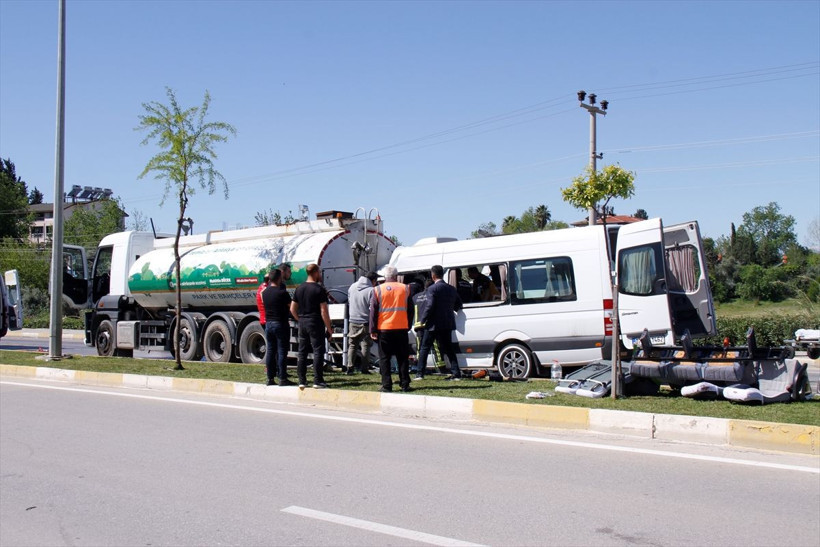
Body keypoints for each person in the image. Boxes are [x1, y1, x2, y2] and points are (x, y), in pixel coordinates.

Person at [369, 265, 414, 392]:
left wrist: (372, 329)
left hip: (384, 329)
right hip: (401, 328)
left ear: (385, 277)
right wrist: (408, 324)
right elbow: (410, 309)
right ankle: (405, 384)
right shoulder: (405, 288)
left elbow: (373, 312)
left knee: (384, 358)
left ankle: (387, 385)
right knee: (403, 358)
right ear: (396, 276)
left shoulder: (377, 289)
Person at [290, 263, 333, 389]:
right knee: (318, 351)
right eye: (318, 272)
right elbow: (323, 311)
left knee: (302, 352)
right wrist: (329, 328)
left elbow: (293, 309)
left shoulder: (299, 288)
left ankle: (302, 380)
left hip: (303, 322)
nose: (319, 275)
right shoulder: (319, 289)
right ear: (315, 272)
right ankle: (317, 380)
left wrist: (299, 319)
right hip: (315, 322)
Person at [418, 264, 463, 380]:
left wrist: (423, 319)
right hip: (447, 323)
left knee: (425, 347)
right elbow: (458, 305)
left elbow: (430, 305)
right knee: (449, 348)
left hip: (433, 324)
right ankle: (456, 373)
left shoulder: (432, 289)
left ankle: (420, 373)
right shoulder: (451, 288)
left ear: (433, 276)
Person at [262, 268, 294, 386]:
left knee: (270, 351)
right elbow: (291, 307)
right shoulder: (282, 293)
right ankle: (282, 378)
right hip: (280, 323)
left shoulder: (265, 292)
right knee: (282, 352)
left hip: (269, 323)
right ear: (279, 278)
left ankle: (270, 378)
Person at [346, 271, 378, 375]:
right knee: (366, 345)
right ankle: (364, 369)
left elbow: (349, 301)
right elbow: (372, 307)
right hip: (366, 321)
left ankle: (349, 367)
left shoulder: (352, 287)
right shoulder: (371, 290)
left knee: (352, 344)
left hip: (353, 320)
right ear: (373, 281)